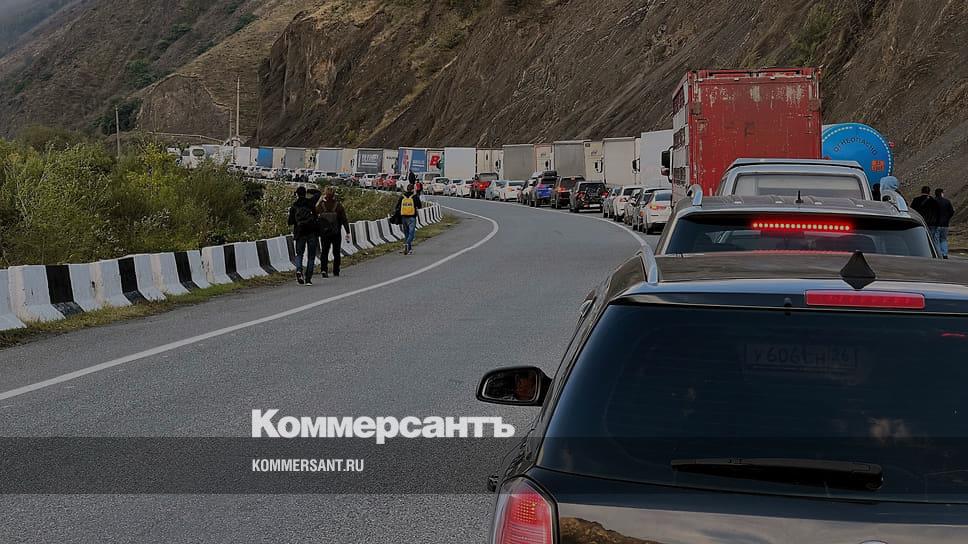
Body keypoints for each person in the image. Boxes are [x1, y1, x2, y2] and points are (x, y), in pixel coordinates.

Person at [316, 186, 351, 276]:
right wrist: (347, 231)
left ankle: (324, 270)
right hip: (336, 232)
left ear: (325, 194)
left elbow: (315, 214)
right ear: (334, 194)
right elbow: (344, 219)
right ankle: (336, 270)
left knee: (324, 251)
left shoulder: (321, 205)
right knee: (336, 252)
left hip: (324, 233)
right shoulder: (338, 205)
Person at [287, 186, 319, 285]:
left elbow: (290, 222)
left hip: (300, 233)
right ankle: (308, 279)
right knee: (311, 256)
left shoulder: (294, 206)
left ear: (297, 194)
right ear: (305, 193)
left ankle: (299, 270)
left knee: (299, 254)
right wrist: (310, 190)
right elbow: (318, 193)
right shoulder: (311, 203)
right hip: (312, 232)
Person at [394, 184, 422, 255]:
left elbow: (397, 206)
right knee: (411, 233)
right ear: (412, 189)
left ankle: (409, 249)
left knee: (406, 233)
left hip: (403, 217)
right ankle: (407, 244)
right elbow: (419, 206)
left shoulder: (402, 197)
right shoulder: (415, 197)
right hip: (412, 217)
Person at [934, 188, 954, 259]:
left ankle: (938, 254)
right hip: (945, 224)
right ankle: (944, 254)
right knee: (943, 239)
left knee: (936, 240)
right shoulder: (947, 201)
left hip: (936, 224)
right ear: (941, 193)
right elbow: (952, 212)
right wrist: (947, 218)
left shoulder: (933, 201)